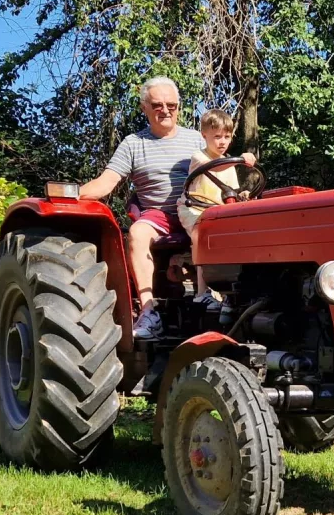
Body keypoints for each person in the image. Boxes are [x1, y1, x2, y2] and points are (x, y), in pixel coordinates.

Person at [78, 77, 207, 339]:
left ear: (179, 106)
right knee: (137, 232)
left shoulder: (196, 139)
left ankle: (216, 299)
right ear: (144, 108)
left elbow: (219, 169)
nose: (165, 110)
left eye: (171, 105)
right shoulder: (134, 143)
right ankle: (148, 311)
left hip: (196, 211)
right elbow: (107, 181)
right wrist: (73, 194)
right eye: (157, 105)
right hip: (159, 217)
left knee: (229, 224)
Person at [177, 108, 255, 304]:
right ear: (204, 135)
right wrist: (241, 160)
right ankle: (202, 293)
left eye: (227, 137)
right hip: (194, 208)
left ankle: (234, 292)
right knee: (202, 235)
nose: (222, 142)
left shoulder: (228, 163)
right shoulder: (199, 157)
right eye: (217, 136)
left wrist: (243, 195)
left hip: (217, 212)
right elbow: (215, 168)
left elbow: (232, 192)